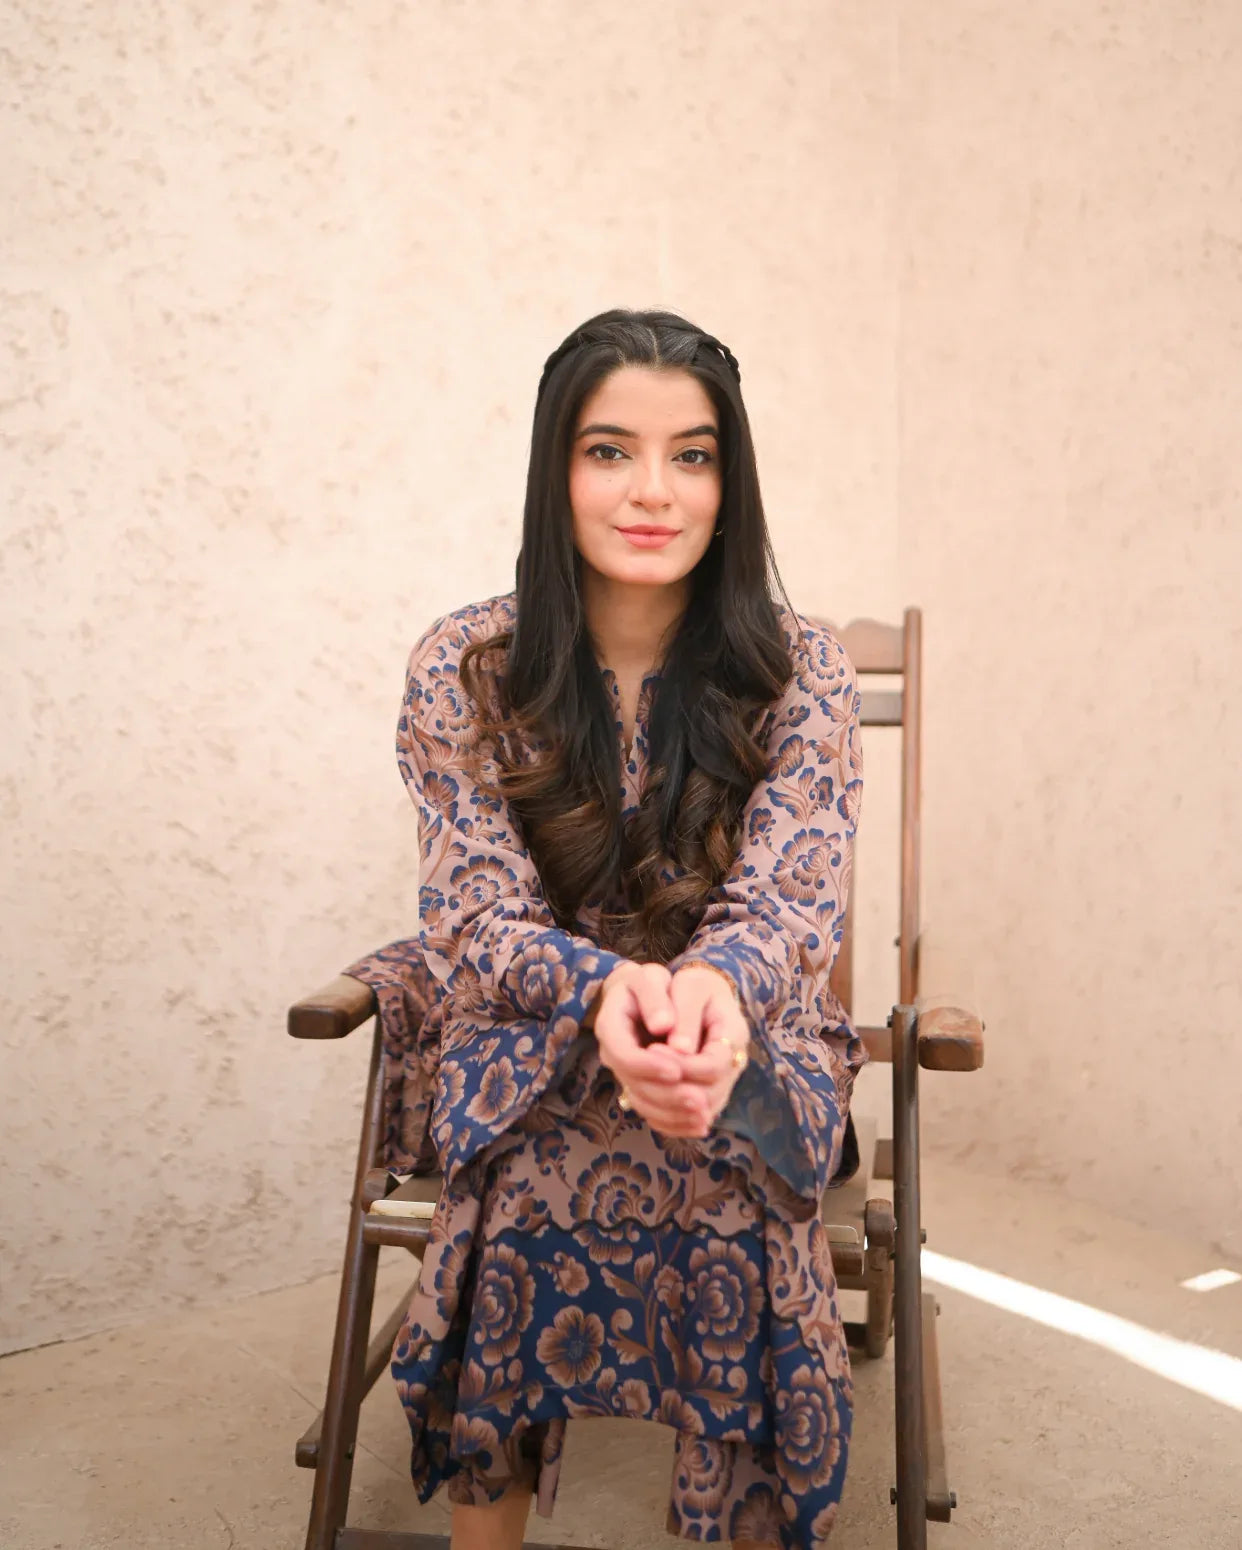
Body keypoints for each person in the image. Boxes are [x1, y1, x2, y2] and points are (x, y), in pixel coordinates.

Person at [347, 308, 865, 1550]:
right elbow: (476, 907)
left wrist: (713, 1012)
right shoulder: (467, 664)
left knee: (733, 1149)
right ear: (554, 469)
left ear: (730, 482)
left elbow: (793, 893)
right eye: (609, 450)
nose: (653, 491)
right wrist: (607, 999)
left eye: (692, 454)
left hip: (747, 1034)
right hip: (539, 1029)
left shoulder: (804, 668)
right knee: (523, 1152)